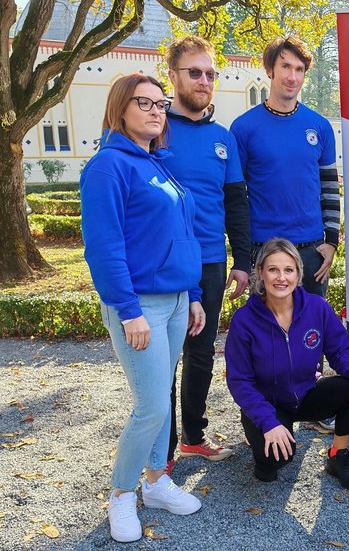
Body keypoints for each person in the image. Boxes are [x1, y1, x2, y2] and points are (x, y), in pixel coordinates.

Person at [81, 74, 204, 542]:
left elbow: (183, 236)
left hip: (174, 302)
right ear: (121, 107)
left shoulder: (157, 163)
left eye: (161, 103)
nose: (157, 110)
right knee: (151, 407)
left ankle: (156, 482)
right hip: (139, 306)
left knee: (160, 396)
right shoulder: (108, 167)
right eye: (145, 102)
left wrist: (191, 295)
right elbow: (104, 247)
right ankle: (121, 495)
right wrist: (128, 310)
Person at [162, 36, 251, 470]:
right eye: (194, 72)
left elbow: (236, 202)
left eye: (211, 73)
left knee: (200, 353)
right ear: (173, 76)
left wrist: (243, 261)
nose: (204, 80)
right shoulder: (152, 128)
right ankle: (160, 450)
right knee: (163, 357)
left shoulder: (223, 138)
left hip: (212, 262)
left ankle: (193, 438)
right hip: (164, 263)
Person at [225, 238, 349, 489]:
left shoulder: (317, 308)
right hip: (267, 403)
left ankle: (338, 456)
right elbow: (239, 381)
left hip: (305, 394)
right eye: (273, 269)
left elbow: (341, 350)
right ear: (260, 272)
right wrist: (268, 422)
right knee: (273, 463)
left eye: (288, 270)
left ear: (298, 274)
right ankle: (265, 441)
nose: (281, 278)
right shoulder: (244, 320)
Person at [230, 36, 340, 297]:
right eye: (285, 67)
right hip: (264, 251)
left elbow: (329, 187)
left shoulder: (320, 126)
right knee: (266, 334)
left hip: (311, 253)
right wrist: (243, 257)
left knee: (311, 334)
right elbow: (236, 198)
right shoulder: (244, 128)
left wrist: (332, 242)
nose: (293, 76)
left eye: (299, 69)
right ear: (269, 70)